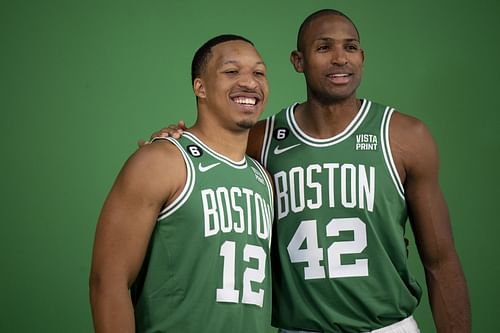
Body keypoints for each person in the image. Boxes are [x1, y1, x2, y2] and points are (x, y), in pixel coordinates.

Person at [149, 9, 471, 333]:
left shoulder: (404, 137)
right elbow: (204, 150)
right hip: (299, 328)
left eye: (350, 47)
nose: (340, 58)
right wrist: (174, 138)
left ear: (362, 56)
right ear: (298, 61)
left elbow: (440, 261)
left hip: (387, 326)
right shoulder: (261, 140)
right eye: (323, 47)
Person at [89, 34, 275, 333]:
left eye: (259, 73)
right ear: (200, 87)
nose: (249, 83)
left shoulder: (262, 178)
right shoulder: (162, 161)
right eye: (231, 71)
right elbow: (107, 281)